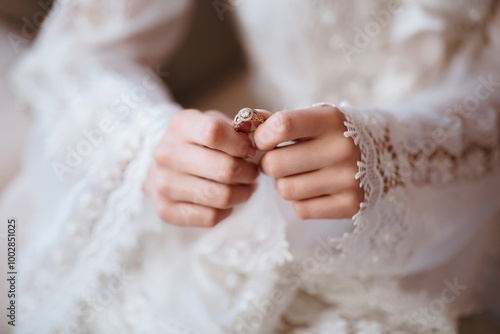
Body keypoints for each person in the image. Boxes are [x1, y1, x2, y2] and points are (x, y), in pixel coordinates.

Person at [5, 0, 500, 332]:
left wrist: (397, 152)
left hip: (463, 206)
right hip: (260, 195)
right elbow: (75, 56)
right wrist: (150, 147)